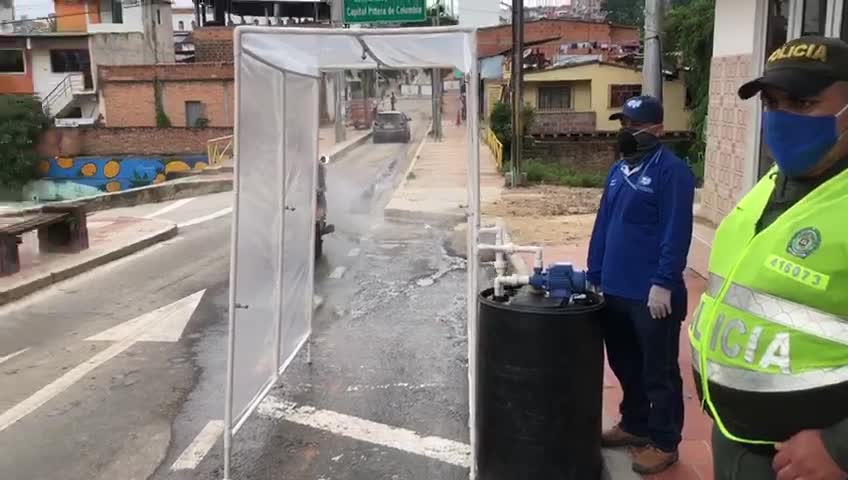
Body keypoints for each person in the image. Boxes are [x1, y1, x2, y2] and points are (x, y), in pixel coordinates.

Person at [691, 35, 848, 480]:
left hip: (806, 462)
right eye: (772, 104)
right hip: (737, 441)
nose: (781, 120)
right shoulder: (774, 183)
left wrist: (840, 449)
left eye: (802, 103)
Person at [587, 95, 696, 474]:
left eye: (635, 127)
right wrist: (594, 273)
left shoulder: (672, 172)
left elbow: (676, 231)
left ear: (657, 130)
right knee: (625, 364)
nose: (628, 134)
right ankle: (634, 424)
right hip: (615, 289)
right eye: (624, 127)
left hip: (651, 295)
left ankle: (665, 441)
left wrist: (664, 281)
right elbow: (603, 225)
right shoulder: (619, 171)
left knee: (659, 371)